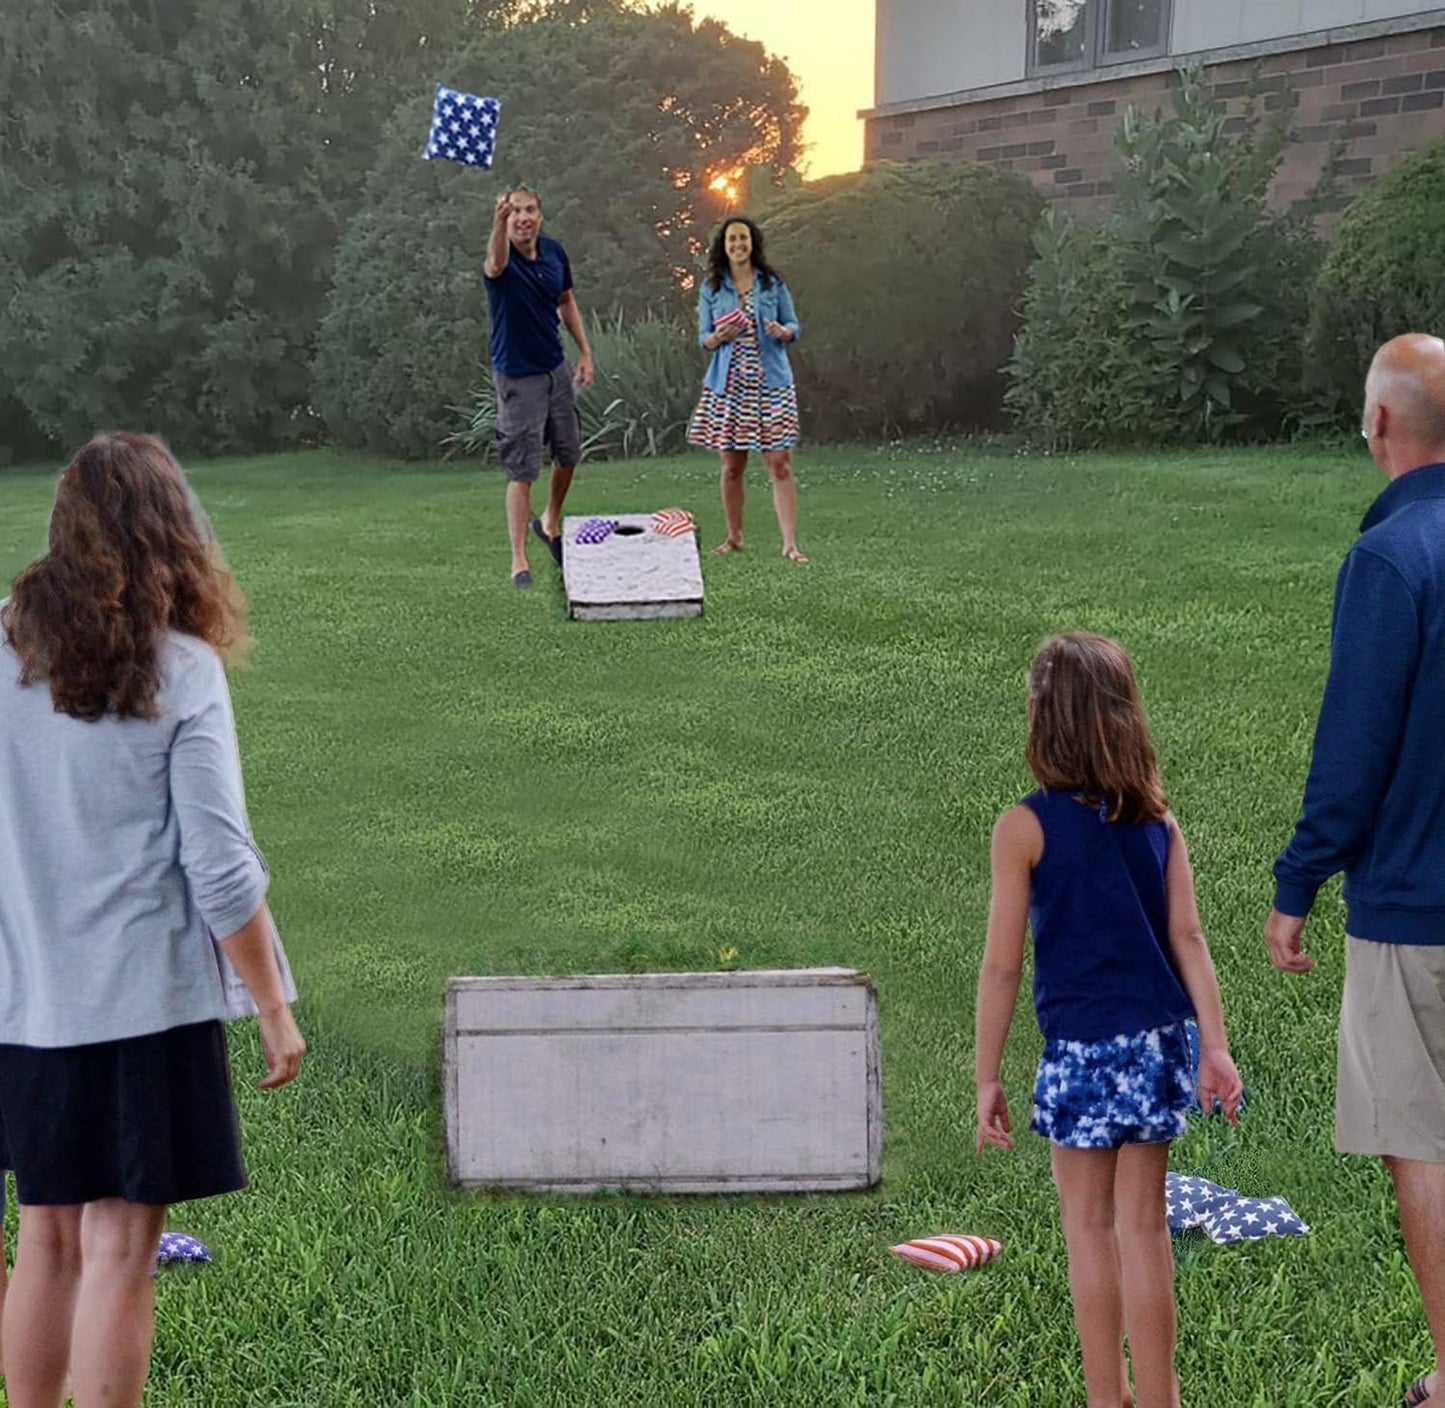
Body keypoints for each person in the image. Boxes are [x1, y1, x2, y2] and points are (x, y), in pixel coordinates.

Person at [0, 432, 306, 1408]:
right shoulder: (181, 669)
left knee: (45, 1234)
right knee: (121, 1247)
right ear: (172, 536)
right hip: (144, 1004)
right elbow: (218, 866)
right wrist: (272, 1001)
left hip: (26, 1004)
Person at [975, 632, 1242, 1408]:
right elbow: (1188, 940)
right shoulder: (1158, 821)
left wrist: (987, 1075)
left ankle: (1107, 1398)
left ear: (1038, 719)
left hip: (1080, 1057)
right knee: (1143, 1230)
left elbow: (1000, 966)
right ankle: (1162, 1399)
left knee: (1087, 1230)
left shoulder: (1021, 830)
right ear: (1125, 720)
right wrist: (1213, 1046)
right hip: (1159, 1045)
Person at [1266, 332, 1445, 1408]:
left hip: (1415, 907)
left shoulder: (1389, 560)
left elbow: (1353, 747)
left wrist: (1297, 883)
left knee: (1418, 1136)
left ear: (1376, 425)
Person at [483, 186, 595, 589]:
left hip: (555, 369)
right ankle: (518, 561)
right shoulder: (503, 259)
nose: (523, 217)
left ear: (540, 216)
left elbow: (566, 300)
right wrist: (497, 224)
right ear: (507, 219)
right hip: (517, 376)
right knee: (523, 467)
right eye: (515, 212)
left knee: (569, 452)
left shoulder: (553, 252)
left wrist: (584, 352)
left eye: (529, 210)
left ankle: (549, 521)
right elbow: (494, 265)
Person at [687, 215, 807, 563]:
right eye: (731, 240)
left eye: (743, 238)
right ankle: (734, 536)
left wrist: (783, 332)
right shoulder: (712, 288)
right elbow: (704, 339)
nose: (738, 245)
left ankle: (789, 544)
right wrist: (717, 337)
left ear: (752, 242)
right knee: (732, 466)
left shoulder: (772, 283)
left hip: (770, 384)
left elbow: (793, 325)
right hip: (731, 385)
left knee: (780, 463)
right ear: (723, 248)